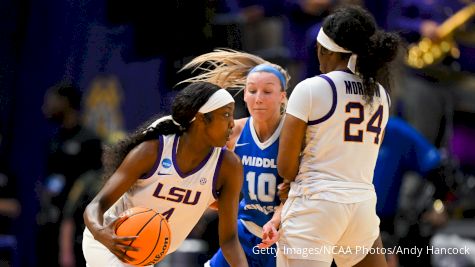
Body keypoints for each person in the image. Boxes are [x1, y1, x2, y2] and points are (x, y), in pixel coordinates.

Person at [261, 5, 400, 267]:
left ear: (324, 50)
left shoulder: (311, 89)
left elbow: (286, 167)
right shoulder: (382, 95)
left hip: (315, 208)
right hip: (361, 207)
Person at [82, 81, 248, 267]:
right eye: (226, 115)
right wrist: (101, 233)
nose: (232, 123)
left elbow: (229, 240)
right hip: (110, 241)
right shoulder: (152, 152)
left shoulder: (228, 166)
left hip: (145, 253)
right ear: (201, 119)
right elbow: (96, 205)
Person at [180, 49, 290, 267]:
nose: (258, 98)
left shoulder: (292, 134)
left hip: (283, 238)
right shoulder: (234, 132)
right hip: (244, 232)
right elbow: (205, 180)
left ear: (282, 97)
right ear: (245, 95)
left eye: (267, 91)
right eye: (252, 91)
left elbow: (297, 194)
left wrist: (276, 220)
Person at [38, 82, 103, 267]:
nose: (47, 107)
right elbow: (51, 181)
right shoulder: (54, 141)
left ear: (66, 102)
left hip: (75, 229)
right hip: (49, 223)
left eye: (52, 101)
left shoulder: (90, 140)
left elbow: (95, 188)